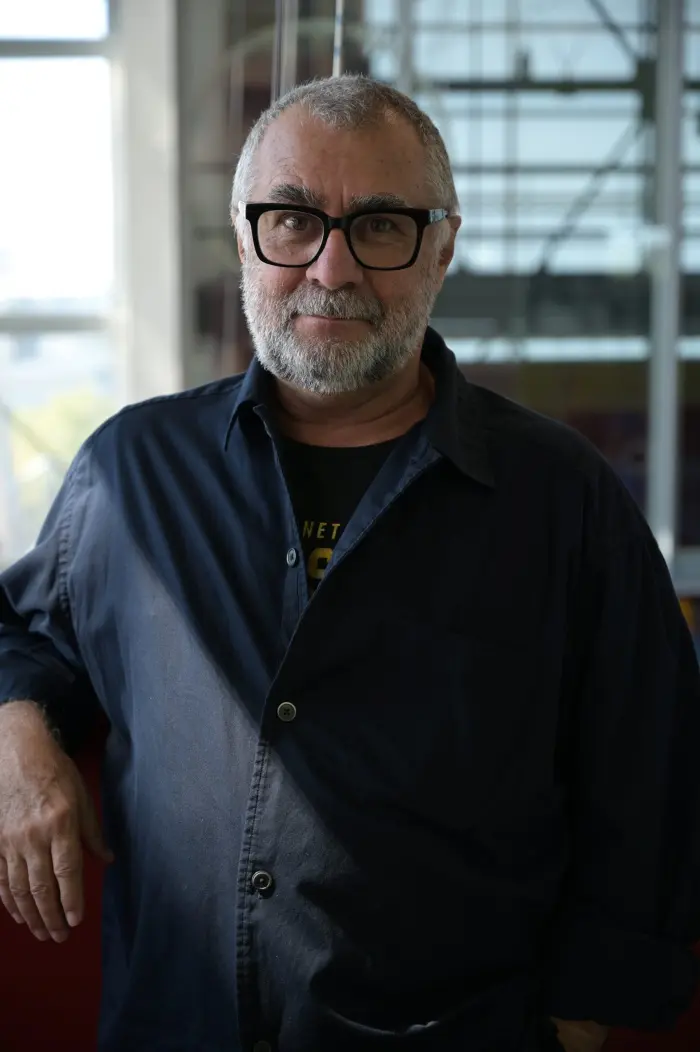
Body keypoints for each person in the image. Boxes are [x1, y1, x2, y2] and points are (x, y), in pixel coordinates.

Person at [0, 75, 698, 1052]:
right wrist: (18, 736)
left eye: (380, 225)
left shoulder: (564, 501)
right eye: (292, 219)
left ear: (442, 246)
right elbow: (28, 630)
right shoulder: (131, 471)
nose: (332, 267)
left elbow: (652, 774)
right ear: (247, 237)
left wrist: (575, 1024)